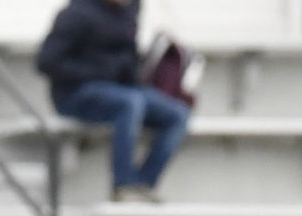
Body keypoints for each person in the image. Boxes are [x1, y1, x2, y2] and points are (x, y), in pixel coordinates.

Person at [36, 0, 189, 203]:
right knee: (130, 103)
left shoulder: (129, 12)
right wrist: (97, 72)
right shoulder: (76, 13)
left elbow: (127, 58)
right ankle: (123, 185)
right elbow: (46, 62)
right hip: (75, 93)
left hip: (121, 90)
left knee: (177, 114)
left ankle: (142, 185)